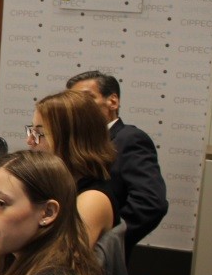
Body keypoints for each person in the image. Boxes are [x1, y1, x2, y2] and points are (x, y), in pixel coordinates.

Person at [66, 70, 168, 257]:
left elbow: (151, 203)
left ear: (112, 101)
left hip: (98, 256)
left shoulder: (130, 139)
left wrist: (109, 239)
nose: (78, 108)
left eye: (87, 99)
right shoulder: (77, 142)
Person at [25, 90, 120, 247]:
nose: (30, 140)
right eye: (31, 131)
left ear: (72, 139)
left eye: (39, 133)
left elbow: (61, 258)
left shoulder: (93, 200)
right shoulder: (63, 182)